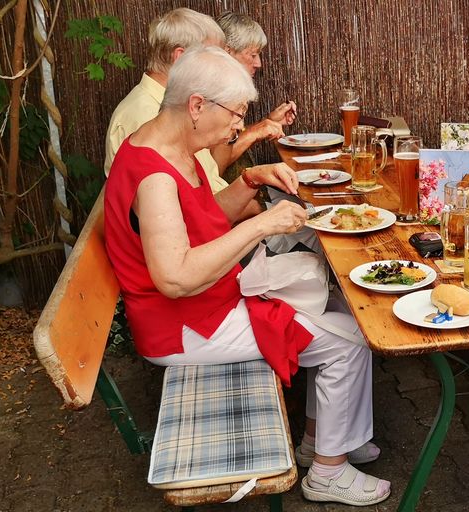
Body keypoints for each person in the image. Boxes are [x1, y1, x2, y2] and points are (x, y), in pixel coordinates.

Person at [102, 47, 389, 507]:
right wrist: (261, 225)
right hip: (183, 326)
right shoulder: (155, 176)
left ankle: (320, 442)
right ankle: (328, 473)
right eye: (236, 114)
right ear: (197, 105)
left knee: (342, 310)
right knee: (351, 339)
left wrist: (250, 180)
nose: (239, 127)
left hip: (202, 306)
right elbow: (175, 277)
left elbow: (202, 220)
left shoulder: (166, 145)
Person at [103, 8, 229, 191]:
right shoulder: (147, 116)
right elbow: (190, 204)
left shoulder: (176, 107)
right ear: (181, 58)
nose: (221, 70)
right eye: (213, 59)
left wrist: (250, 180)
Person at [213, 11, 297, 172]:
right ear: (227, 52)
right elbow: (214, 167)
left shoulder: (229, 91)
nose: (258, 63)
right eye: (252, 55)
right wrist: (256, 131)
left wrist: (268, 122)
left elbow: (227, 146)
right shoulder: (212, 96)